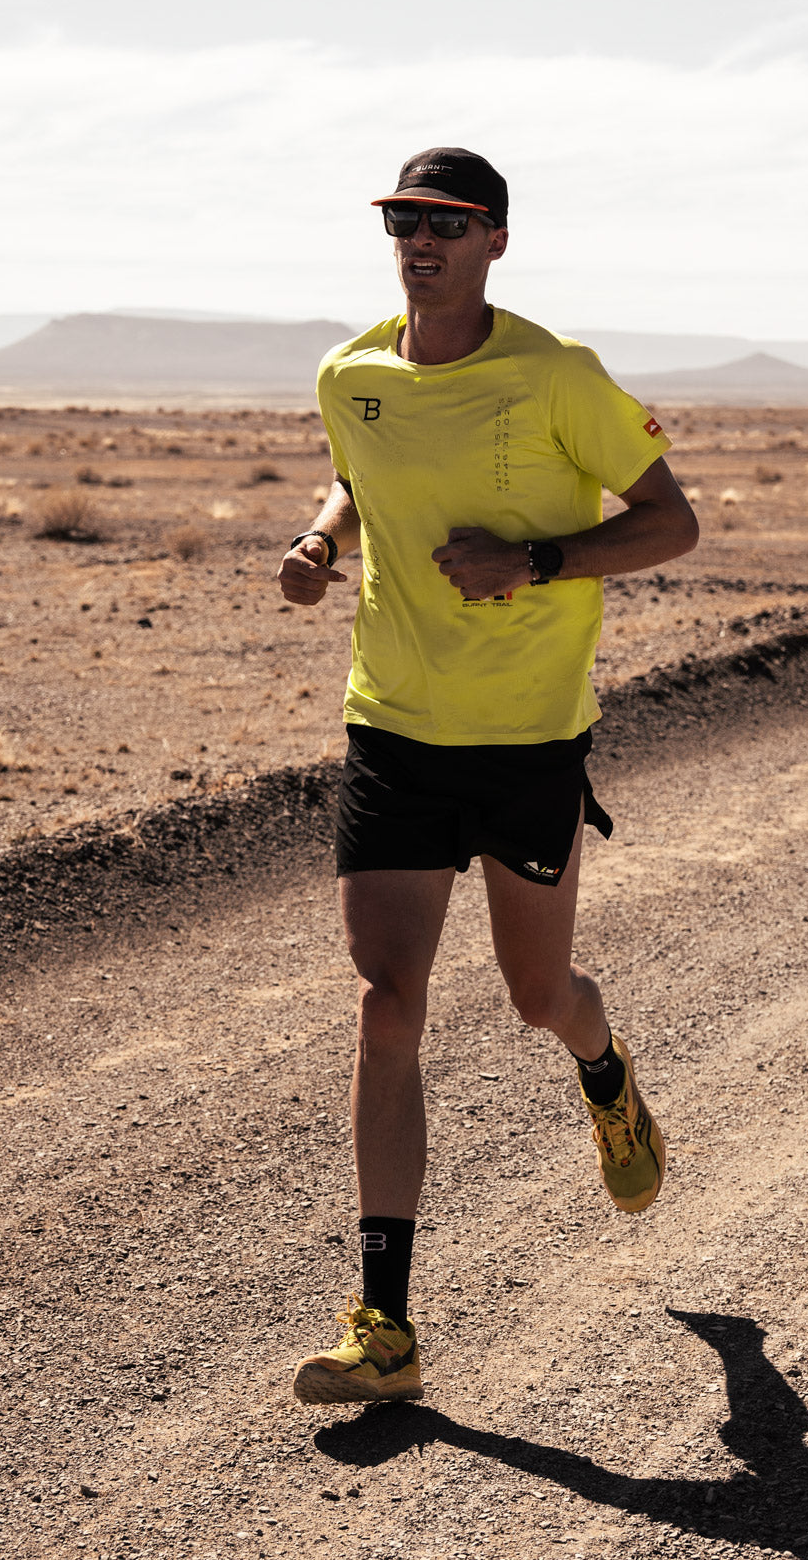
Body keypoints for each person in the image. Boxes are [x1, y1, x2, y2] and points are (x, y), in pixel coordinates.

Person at [278, 148, 699, 1406]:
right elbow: (359, 477)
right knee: (385, 1004)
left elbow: (672, 520)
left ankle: (606, 1070)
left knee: (537, 994)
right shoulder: (350, 374)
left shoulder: (557, 374)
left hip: (526, 739)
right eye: (405, 220)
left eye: (449, 224)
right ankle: (388, 1327)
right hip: (394, 729)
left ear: (496, 241)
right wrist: (321, 539)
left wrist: (536, 560)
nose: (422, 240)